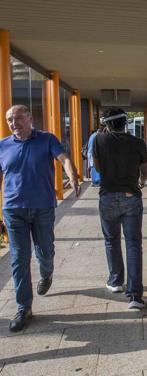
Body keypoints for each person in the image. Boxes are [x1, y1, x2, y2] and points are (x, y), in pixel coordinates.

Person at [0, 105, 80, 332]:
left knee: (45, 250)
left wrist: (72, 175)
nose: (14, 123)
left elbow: (63, 158)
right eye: (9, 120)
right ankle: (23, 307)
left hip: (43, 207)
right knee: (19, 258)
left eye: (17, 118)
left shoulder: (46, 139)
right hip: (14, 209)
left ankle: (47, 272)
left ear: (30, 118)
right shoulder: (2, 146)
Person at [93, 108, 147, 310]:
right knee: (133, 244)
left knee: (111, 240)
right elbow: (144, 170)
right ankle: (135, 296)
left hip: (107, 195)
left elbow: (98, 168)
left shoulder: (98, 140)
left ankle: (116, 281)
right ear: (126, 123)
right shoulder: (138, 143)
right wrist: (140, 181)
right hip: (131, 196)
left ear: (107, 124)